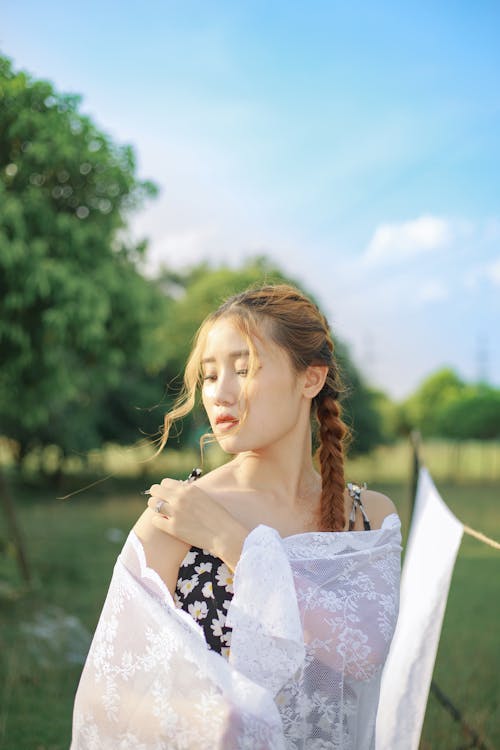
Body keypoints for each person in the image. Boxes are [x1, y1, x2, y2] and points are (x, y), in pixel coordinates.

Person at [70, 283, 402, 749]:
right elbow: (110, 696)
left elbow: (363, 653)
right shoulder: (175, 518)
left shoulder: (368, 517)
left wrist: (235, 543)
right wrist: (203, 717)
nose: (220, 394)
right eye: (209, 376)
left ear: (310, 379)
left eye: (243, 369)